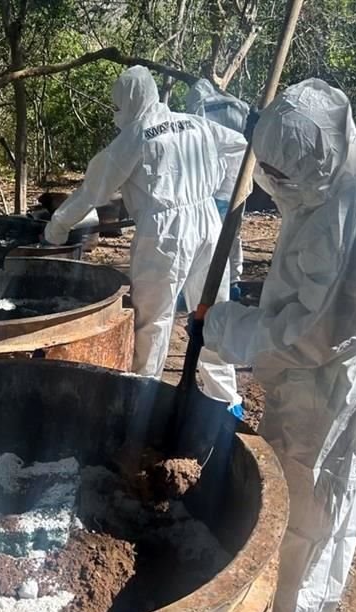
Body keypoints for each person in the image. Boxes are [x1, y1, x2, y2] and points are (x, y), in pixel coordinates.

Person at [202, 79, 356, 612]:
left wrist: (226, 325)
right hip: (327, 371)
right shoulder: (333, 177)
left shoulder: (354, 216)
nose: (272, 184)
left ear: (314, 159)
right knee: (312, 502)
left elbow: (311, 335)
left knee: (311, 512)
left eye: (281, 174)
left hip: (336, 381)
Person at [43, 65, 248, 409]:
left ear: (129, 100)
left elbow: (91, 190)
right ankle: (226, 399)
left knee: (154, 319)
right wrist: (224, 191)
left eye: (118, 106)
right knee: (214, 312)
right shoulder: (196, 123)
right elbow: (242, 146)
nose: (117, 114)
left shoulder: (135, 136)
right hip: (210, 223)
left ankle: (144, 399)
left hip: (164, 234)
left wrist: (56, 228)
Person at [183, 78, 251, 295]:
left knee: (208, 235)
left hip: (216, 184)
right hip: (241, 179)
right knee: (232, 234)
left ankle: (208, 285)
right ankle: (233, 282)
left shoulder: (201, 110)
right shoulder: (238, 105)